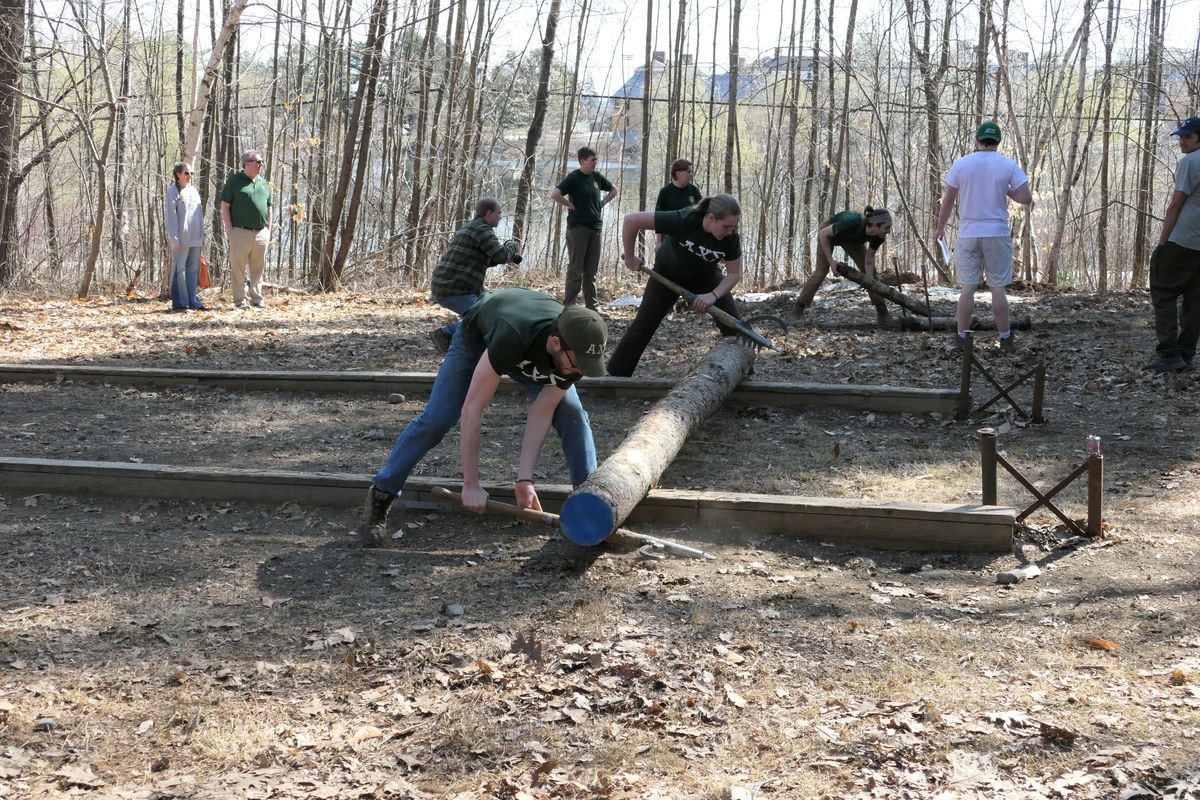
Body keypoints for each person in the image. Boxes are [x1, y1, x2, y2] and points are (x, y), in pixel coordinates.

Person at [355, 288, 608, 547]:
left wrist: (524, 480)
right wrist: (471, 483)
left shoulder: (575, 354)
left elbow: (542, 412)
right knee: (437, 419)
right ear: (557, 343)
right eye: (579, 365)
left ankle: (588, 507)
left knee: (573, 415)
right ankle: (382, 493)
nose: (581, 371)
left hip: (529, 351)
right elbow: (473, 408)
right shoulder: (515, 334)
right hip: (481, 339)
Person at [607, 194, 744, 377]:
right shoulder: (684, 219)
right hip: (667, 273)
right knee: (643, 326)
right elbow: (632, 220)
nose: (730, 231)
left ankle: (742, 372)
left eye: (733, 226)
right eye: (726, 226)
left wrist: (713, 295)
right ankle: (616, 376)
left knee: (734, 327)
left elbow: (734, 274)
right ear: (710, 218)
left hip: (706, 277)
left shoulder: (731, 238)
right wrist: (630, 257)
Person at [935, 121, 1032, 352]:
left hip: (968, 233)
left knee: (967, 288)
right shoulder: (1007, 164)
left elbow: (948, 200)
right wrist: (1006, 189)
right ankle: (1005, 338)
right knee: (997, 288)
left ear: (977, 140)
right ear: (998, 142)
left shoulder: (962, 164)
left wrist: (940, 228)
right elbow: (1025, 198)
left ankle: (961, 337)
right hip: (996, 233)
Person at [426, 197, 522, 353]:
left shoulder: (473, 227)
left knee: (497, 304)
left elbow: (487, 259)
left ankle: (456, 335)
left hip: (457, 286)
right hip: (453, 289)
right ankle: (445, 334)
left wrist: (505, 255)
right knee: (487, 315)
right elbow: (501, 255)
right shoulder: (482, 229)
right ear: (489, 213)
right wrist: (513, 246)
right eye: (498, 213)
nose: (500, 216)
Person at [1144, 117, 1200, 373]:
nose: (1182, 141)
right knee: (1194, 298)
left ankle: (1169, 353)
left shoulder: (1190, 162)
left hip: (1183, 239)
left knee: (1163, 289)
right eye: (1181, 136)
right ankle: (1186, 354)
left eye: (1188, 136)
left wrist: (1163, 241)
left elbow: (1175, 204)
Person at [795, 206, 894, 324]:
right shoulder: (853, 221)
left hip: (852, 240)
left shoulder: (880, 236)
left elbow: (869, 259)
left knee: (871, 274)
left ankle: (883, 314)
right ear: (875, 224)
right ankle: (797, 311)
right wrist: (831, 261)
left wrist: (869, 280)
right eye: (886, 227)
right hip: (828, 234)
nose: (888, 231)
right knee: (821, 271)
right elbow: (823, 234)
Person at [550, 147, 617, 310]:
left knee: (591, 271)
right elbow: (555, 194)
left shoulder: (597, 177)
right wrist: (568, 204)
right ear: (582, 161)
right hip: (578, 228)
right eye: (592, 160)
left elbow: (613, 190)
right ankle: (569, 305)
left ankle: (592, 306)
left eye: (596, 160)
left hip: (595, 228)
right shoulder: (574, 177)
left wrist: (602, 203)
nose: (595, 163)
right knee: (575, 269)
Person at [220, 151, 273, 309]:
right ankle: (239, 300)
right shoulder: (234, 182)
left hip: (261, 232)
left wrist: (268, 229)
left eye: (261, 162)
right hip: (240, 232)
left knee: (258, 268)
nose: (261, 164)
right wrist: (231, 230)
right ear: (247, 164)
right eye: (257, 162)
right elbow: (225, 207)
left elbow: (269, 207)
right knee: (238, 268)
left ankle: (257, 298)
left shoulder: (263, 183)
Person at [165, 161, 207, 312]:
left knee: (193, 270)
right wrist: (174, 238)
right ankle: (180, 303)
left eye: (191, 173)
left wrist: (203, 235)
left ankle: (193, 301)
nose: (190, 176)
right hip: (181, 239)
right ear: (178, 174)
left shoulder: (194, 191)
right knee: (179, 270)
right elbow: (171, 217)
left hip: (196, 237)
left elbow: (199, 215)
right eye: (186, 173)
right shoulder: (173, 192)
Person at [655, 158, 702, 248]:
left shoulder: (694, 190)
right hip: (669, 238)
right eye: (688, 172)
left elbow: (701, 214)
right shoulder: (665, 192)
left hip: (690, 239)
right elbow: (658, 218)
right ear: (678, 173)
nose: (691, 174)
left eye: (692, 172)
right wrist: (658, 242)